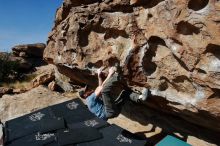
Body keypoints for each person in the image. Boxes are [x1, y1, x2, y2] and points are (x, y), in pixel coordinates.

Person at [79, 66, 150, 120]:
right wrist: (110, 74)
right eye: (87, 90)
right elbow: (101, 88)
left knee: (124, 93)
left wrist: (99, 76)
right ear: (85, 95)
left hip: (111, 112)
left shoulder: (89, 100)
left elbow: (99, 86)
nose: (89, 89)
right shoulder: (90, 99)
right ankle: (117, 75)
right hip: (109, 112)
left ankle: (140, 98)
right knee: (104, 91)